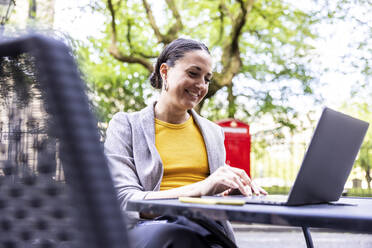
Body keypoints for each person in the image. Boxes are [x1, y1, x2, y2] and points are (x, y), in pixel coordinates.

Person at [104, 38, 267, 248]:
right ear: (165, 72)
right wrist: (203, 187)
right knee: (176, 236)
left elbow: (212, 197)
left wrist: (232, 193)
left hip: (204, 227)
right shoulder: (125, 125)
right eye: (193, 73)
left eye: (207, 78)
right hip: (149, 228)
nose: (201, 85)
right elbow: (125, 201)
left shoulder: (214, 133)